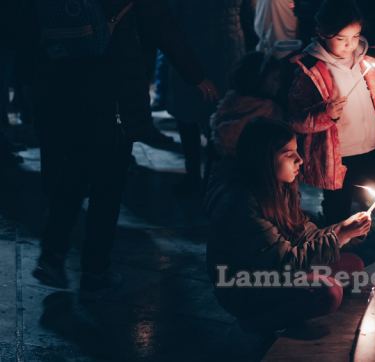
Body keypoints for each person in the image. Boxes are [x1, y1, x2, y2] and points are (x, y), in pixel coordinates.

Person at [26, 0, 216, 292]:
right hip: (114, 97)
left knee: (73, 177)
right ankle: (95, 270)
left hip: (68, 94)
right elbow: (163, 27)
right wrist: (197, 75)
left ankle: (52, 256)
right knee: (108, 187)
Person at [287, 0, 375, 260]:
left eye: (355, 37)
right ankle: (337, 268)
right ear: (322, 33)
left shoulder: (366, 61)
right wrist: (324, 114)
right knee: (339, 221)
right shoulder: (310, 69)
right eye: (342, 39)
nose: (350, 45)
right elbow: (295, 121)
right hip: (338, 161)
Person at [205, 119, 370, 331]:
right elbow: (285, 261)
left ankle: (293, 308)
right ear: (264, 158)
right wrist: (338, 237)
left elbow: (303, 234)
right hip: (245, 286)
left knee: (352, 265)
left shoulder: (277, 188)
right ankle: (258, 322)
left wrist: (344, 229)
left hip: (275, 272)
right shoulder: (241, 203)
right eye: (288, 153)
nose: (300, 159)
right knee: (328, 291)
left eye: (297, 150)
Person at [166, 0, 248, 195]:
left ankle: (198, 176)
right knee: (218, 118)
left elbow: (170, 18)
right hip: (222, 50)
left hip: (198, 50)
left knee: (198, 118)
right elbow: (247, 15)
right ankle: (211, 178)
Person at [210, 52, 283, 158]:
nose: (279, 84)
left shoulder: (232, 98)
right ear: (259, 79)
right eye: (275, 79)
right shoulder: (269, 109)